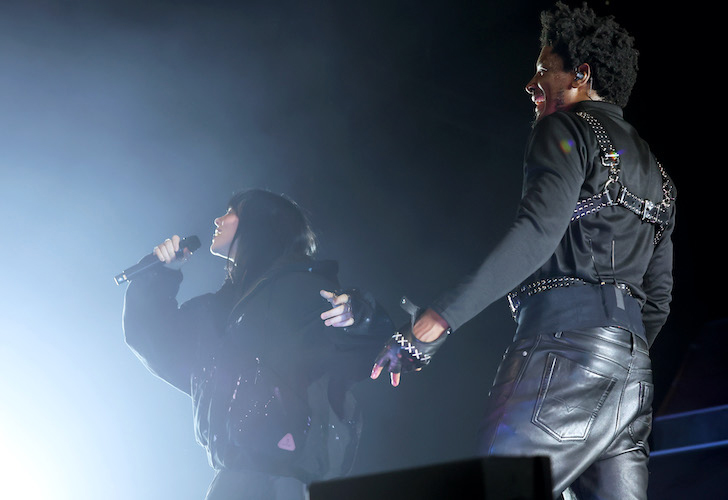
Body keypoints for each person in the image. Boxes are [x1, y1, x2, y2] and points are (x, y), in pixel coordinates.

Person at [371, 3, 675, 499]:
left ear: (582, 74)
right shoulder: (661, 178)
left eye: (542, 72)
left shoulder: (565, 129)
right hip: (632, 379)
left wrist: (433, 323)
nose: (530, 86)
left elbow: (537, 232)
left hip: (563, 350)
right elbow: (657, 299)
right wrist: (620, 354)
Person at [122, 188, 391, 500]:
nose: (218, 219)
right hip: (233, 477)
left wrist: (357, 315)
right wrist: (160, 276)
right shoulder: (220, 308)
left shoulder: (301, 288)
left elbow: (366, 349)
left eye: (232, 211)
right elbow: (160, 344)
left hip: (284, 476)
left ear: (260, 224)